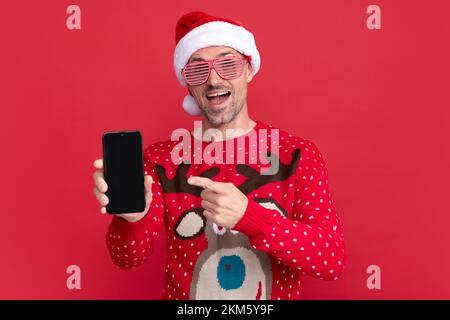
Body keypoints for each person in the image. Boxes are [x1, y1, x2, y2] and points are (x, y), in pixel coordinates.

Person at [92, 11, 345, 300]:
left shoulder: (296, 155)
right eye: (198, 71)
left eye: (228, 64)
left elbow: (332, 259)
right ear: (188, 84)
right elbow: (128, 259)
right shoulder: (161, 161)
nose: (213, 80)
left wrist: (252, 218)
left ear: (249, 70)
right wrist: (132, 220)